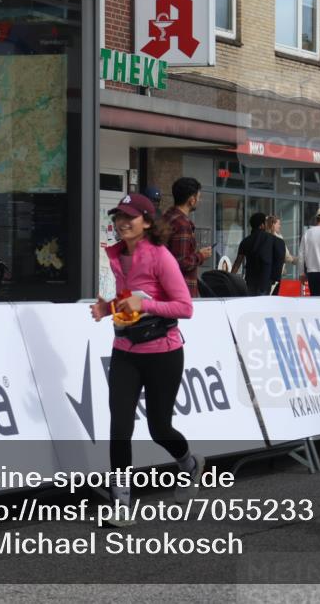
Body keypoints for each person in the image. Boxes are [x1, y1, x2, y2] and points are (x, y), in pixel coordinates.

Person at [89, 193, 204, 524]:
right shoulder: (117, 255)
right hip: (125, 350)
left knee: (159, 427)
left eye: (130, 217)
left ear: (148, 222)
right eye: (118, 217)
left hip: (163, 352)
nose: (122, 223)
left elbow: (185, 307)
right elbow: (130, 299)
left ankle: (189, 463)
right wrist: (106, 308)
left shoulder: (160, 257)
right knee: (120, 427)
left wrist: (146, 306)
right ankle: (121, 504)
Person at [163, 177, 212, 297]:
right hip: (181, 290)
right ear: (192, 200)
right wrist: (201, 255)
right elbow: (182, 262)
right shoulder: (182, 224)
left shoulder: (167, 216)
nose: (199, 200)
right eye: (198, 197)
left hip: (165, 287)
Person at [232, 213, 285, 296]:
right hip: (266, 280)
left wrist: (231, 279)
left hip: (250, 280)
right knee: (263, 305)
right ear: (262, 225)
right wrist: (275, 277)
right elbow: (280, 257)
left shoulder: (245, 241)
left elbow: (237, 263)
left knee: (252, 304)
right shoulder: (273, 240)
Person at [265, 214, 295, 295]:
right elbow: (286, 255)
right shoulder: (278, 238)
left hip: (265, 273)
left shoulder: (263, 236)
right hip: (275, 273)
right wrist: (294, 260)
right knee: (272, 294)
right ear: (273, 224)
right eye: (278, 224)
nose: (280, 226)